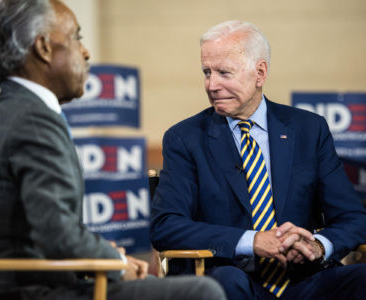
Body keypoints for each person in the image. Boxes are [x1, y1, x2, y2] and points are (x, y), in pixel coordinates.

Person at [0, 1, 227, 300]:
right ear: (44, 47)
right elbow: (58, 235)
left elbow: (38, 229)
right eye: (76, 37)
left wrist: (102, 255)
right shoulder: (32, 119)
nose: (86, 52)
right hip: (28, 289)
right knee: (202, 292)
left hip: (2, 283)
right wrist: (114, 263)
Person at [150, 20, 366, 300]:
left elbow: (353, 218)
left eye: (224, 73)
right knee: (227, 282)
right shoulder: (185, 138)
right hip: (233, 277)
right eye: (206, 72)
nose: (212, 85)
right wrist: (251, 241)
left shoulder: (308, 130)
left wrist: (319, 246)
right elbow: (166, 226)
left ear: (260, 73)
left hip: (305, 280)